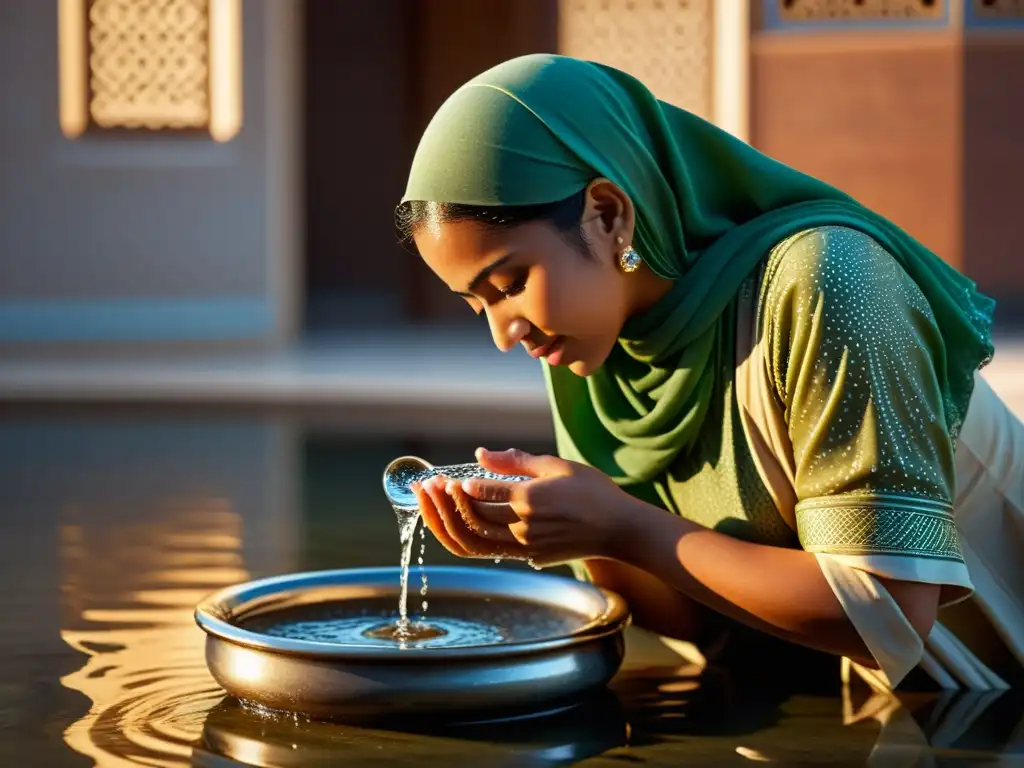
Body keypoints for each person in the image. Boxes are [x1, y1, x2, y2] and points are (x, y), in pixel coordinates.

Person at [396, 53, 1023, 692]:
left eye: (510, 283)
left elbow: (886, 614)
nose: (506, 333)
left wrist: (620, 525)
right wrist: (570, 533)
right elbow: (707, 626)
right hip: (865, 712)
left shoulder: (827, 284)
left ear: (607, 213)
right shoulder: (595, 344)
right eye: (477, 305)